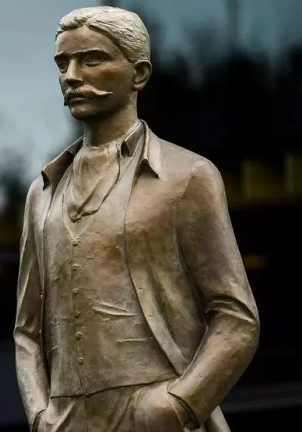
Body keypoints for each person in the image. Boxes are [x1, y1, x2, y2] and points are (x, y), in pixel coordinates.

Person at [14, 6, 259, 432]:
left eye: (91, 59)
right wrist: (40, 416)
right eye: (62, 63)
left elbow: (236, 317)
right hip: (67, 421)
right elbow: (27, 332)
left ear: (139, 74)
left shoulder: (187, 177)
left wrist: (179, 405)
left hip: (155, 410)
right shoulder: (42, 193)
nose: (71, 75)